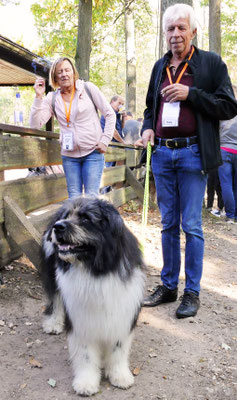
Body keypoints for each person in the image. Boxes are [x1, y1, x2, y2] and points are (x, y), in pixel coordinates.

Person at [141, 3, 237, 318]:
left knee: (191, 225)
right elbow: (149, 108)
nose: (175, 34)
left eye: (181, 28)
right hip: (162, 154)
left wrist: (190, 95)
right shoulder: (159, 67)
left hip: (194, 153)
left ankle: (191, 292)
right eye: (170, 29)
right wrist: (146, 130)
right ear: (165, 34)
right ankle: (169, 287)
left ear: (193, 31)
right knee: (168, 223)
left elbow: (228, 106)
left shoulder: (210, 64)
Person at [30, 57, 116, 198]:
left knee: (91, 198)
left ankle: (91, 221)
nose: (64, 74)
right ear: (55, 77)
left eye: (67, 70)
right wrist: (38, 97)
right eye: (60, 72)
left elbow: (110, 114)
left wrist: (105, 140)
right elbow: (35, 124)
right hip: (69, 157)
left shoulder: (88, 89)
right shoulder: (52, 98)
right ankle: (76, 221)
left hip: (93, 152)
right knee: (74, 198)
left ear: (73, 72)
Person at [218, 86, 237, 224]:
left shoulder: (223, 112)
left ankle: (230, 215)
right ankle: (235, 215)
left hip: (224, 149)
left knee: (226, 184)